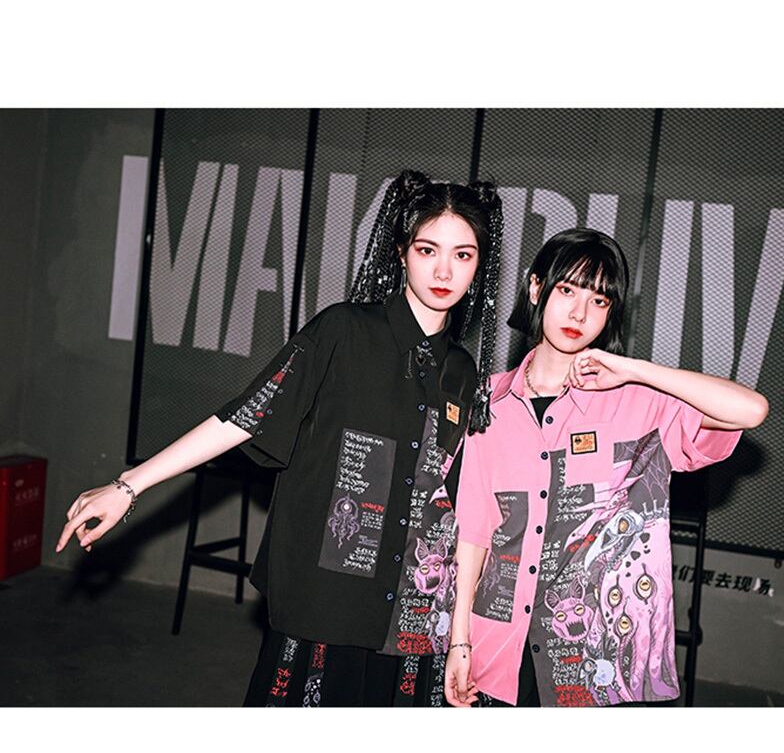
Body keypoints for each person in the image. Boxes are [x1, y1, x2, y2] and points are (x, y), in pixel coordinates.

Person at [56, 169, 504, 707]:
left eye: (462, 255)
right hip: (327, 601)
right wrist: (129, 485)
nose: (444, 270)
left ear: (479, 265)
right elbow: (246, 416)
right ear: (402, 252)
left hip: (415, 616)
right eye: (428, 250)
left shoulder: (463, 370)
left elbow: (459, 506)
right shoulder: (343, 332)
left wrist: (459, 637)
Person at [444, 228, 769, 707]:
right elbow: (474, 532)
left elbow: (751, 410)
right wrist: (459, 642)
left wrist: (635, 370)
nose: (579, 313)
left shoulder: (636, 403)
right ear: (536, 288)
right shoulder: (489, 399)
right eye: (567, 290)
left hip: (597, 659)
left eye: (599, 301)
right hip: (498, 647)